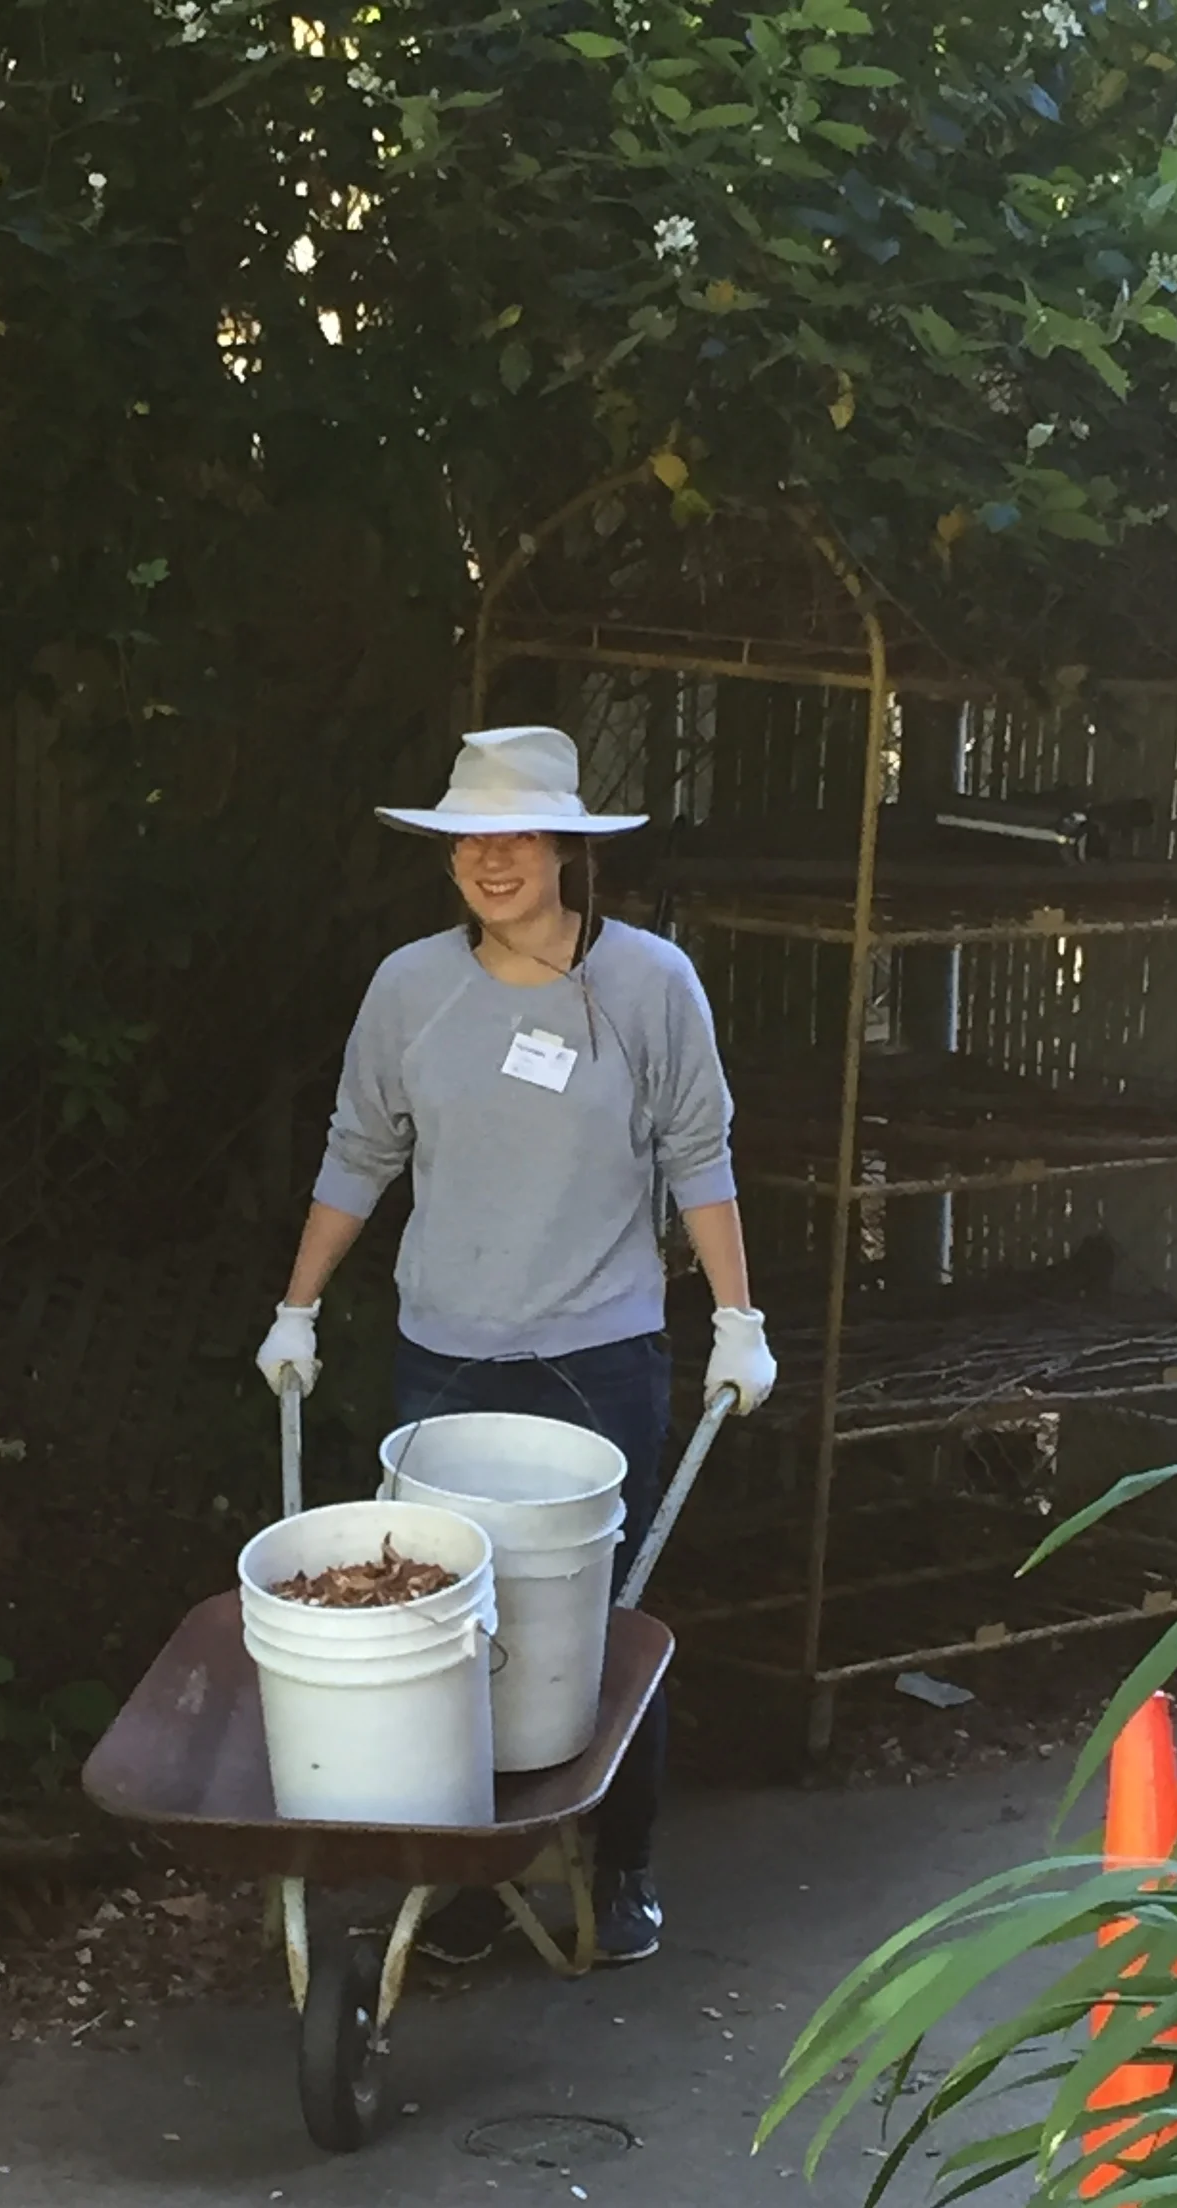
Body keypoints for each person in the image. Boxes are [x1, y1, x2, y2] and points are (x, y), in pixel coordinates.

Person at [255, 724, 775, 1965]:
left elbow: (698, 1155)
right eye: (469, 840)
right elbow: (360, 1151)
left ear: (565, 849)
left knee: (604, 1619)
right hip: (447, 1350)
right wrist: (299, 1305)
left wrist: (737, 1320)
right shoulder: (411, 988)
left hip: (601, 1352)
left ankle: (623, 1862)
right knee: (440, 1623)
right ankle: (467, 1876)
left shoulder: (650, 984)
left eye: (519, 836)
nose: (493, 861)